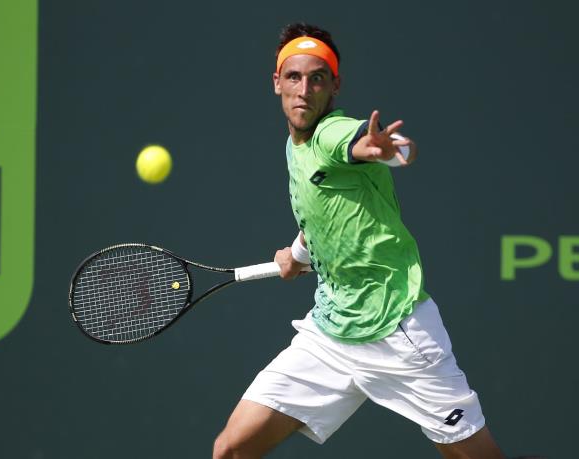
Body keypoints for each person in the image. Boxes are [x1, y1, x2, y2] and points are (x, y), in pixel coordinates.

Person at [213, 23, 506, 459]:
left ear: (335, 86)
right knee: (231, 449)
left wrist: (386, 149)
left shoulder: (333, 133)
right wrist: (297, 254)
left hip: (397, 330)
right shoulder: (295, 147)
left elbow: (384, 146)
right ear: (277, 82)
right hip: (331, 331)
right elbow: (325, 219)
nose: (304, 90)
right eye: (294, 77)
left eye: (317, 79)